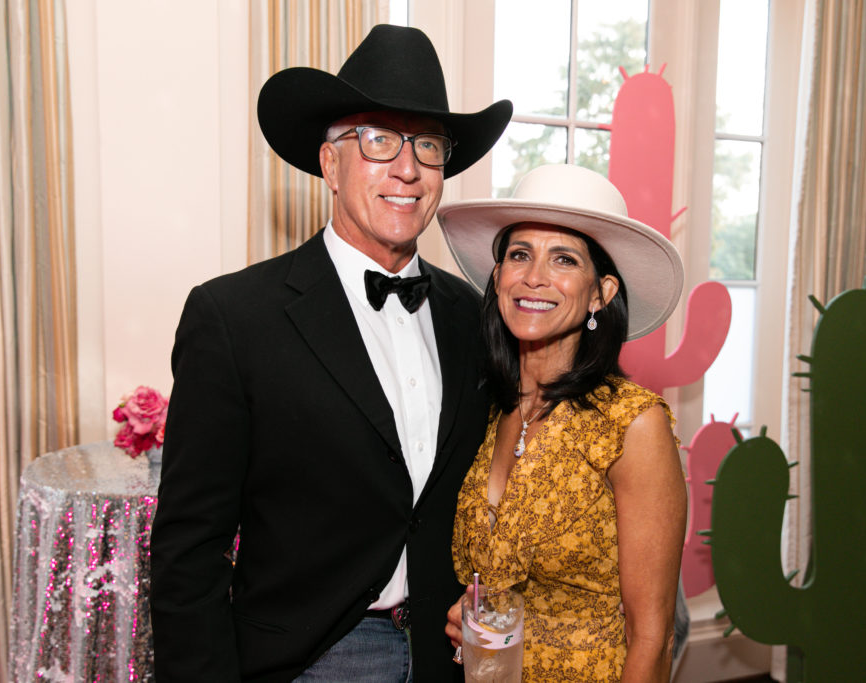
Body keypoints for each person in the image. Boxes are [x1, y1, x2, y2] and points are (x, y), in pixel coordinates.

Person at [149, 24, 512, 682]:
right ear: (329, 163)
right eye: (378, 140)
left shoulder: (471, 315)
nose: (407, 168)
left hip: (447, 654)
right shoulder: (234, 318)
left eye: (427, 146)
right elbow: (187, 551)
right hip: (312, 658)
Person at [440, 163, 691, 681]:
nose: (534, 276)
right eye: (519, 254)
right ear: (497, 276)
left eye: (564, 259)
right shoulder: (486, 408)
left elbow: (654, 635)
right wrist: (468, 620)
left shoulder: (631, 425)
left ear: (601, 293)